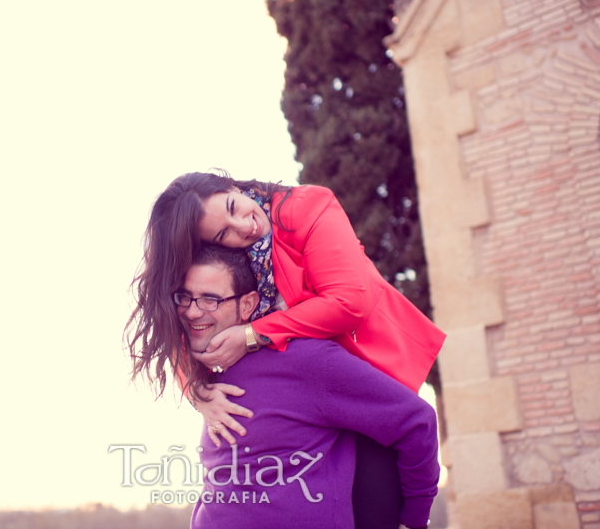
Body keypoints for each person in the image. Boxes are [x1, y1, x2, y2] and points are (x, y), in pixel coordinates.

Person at [125, 171, 446, 528]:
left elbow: (349, 302)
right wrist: (196, 392)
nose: (242, 226)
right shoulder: (233, 270)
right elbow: (180, 328)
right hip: (307, 397)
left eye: (233, 206)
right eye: (222, 234)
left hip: (365, 368)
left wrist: (252, 334)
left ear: (233, 187)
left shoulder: (308, 207)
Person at [176, 246, 438, 529]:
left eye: (210, 299)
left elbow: (416, 422)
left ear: (247, 305)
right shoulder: (208, 381)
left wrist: (414, 521)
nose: (192, 312)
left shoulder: (307, 360)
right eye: (186, 297)